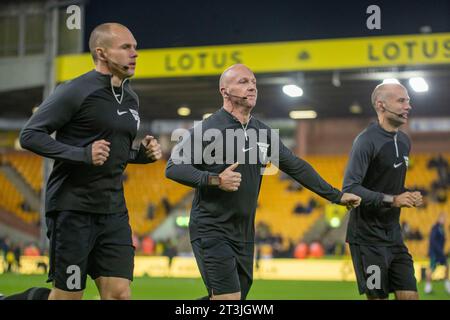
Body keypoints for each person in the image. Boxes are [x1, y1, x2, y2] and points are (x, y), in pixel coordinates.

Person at [165, 64, 361, 300]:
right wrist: (215, 179)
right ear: (224, 91)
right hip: (211, 228)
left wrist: (336, 195)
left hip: (245, 233)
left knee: (234, 299)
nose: (252, 87)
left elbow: (295, 166)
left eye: (254, 83)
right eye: (243, 82)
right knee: (229, 300)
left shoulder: (262, 133)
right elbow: (173, 167)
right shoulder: (208, 129)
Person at [5, 23, 162, 300]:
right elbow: (30, 135)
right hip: (72, 210)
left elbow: (115, 153)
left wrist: (142, 155)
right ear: (102, 53)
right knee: (68, 297)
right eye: (126, 47)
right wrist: (81, 154)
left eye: (135, 47)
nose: (135, 53)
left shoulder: (131, 98)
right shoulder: (75, 90)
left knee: (119, 294)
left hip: (113, 212)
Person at [343, 83, 423, 300]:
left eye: (408, 100)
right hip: (368, 241)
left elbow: (391, 187)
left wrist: (408, 194)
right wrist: (393, 199)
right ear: (381, 105)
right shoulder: (365, 141)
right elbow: (350, 188)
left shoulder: (405, 141)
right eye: (401, 101)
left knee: (411, 295)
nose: (408, 106)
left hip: (394, 238)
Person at [424, 212, 450, 294]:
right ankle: (427, 287)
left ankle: (447, 285)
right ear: (439, 218)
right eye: (442, 218)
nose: (444, 220)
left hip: (440, 252)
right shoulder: (435, 227)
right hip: (435, 252)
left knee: (447, 266)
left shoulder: (441, 228)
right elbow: (433, 241)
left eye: (444, 218)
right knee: (432, 268)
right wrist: (438, 251)